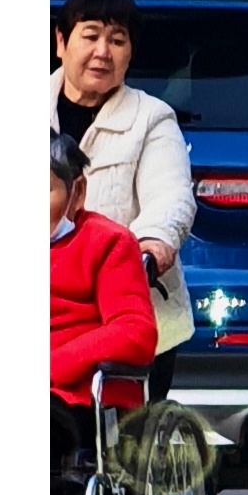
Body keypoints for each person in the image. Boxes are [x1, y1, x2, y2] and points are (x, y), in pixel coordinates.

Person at [51, 0, 197, 356]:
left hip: (127, 315)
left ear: (129, 53)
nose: (103, 52)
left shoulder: (152, 118)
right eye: (91, 36)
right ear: (61, 41)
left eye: (117, 40)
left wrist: (152, 244)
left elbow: (170, 195)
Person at [51, 123, 159, 399]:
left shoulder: (108, 243)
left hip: (73, 397)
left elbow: (136, 332)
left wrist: (55, 365)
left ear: (78, 191)